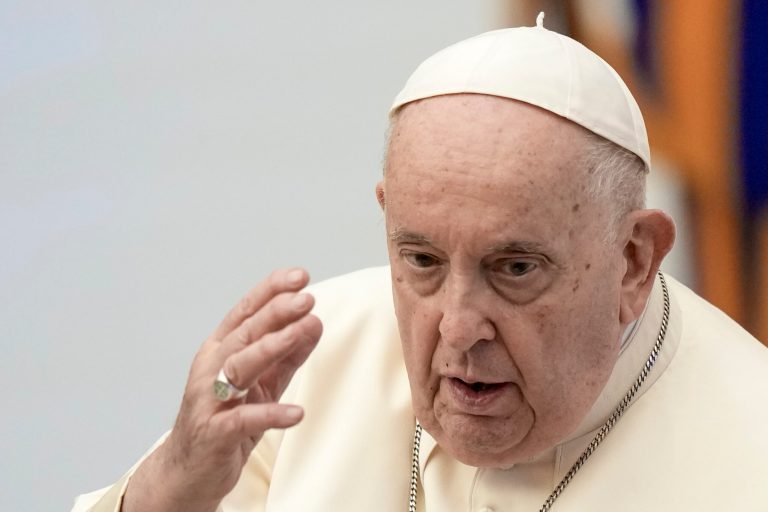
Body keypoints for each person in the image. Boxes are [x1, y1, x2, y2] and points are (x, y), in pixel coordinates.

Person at [73, 15, 768, 512]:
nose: (460, 328)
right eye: (423, 259)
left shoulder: (752, 451)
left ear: (632, 260)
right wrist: (171, 487)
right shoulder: (300, 370)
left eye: (515, 269)